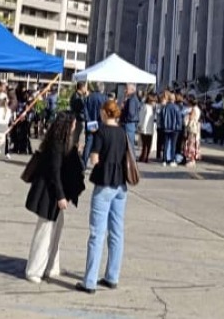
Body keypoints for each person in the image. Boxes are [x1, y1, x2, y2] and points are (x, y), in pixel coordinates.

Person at [25, 112, 86, 284]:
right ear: (67, 126)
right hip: (48, 193)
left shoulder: (62, 142)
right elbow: (55, 172)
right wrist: (61, 196)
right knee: (45, 231)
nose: (75, 127)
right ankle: (34, 269)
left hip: (54, 193)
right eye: (73, 124)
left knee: (56, 229)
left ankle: (51, 266)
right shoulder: (57, 145)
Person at [77, 100, 130, 294]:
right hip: (121, 184)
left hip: (104, 182)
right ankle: (112, 276)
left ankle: (90, 281)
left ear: (105, 113)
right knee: (116, 231)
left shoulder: (101, 132)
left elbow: (95, 158)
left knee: (97, 233)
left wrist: (90, 150)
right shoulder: (123, 132)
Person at [81, 84, 106, 166]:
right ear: (102, 89)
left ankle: (83, 164)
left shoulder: (89, 97)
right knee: (100, 144)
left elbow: (85, 109)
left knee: (88, 144)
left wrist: (88, 120)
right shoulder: (104, 98)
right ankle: (98, 164)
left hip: (91, 122)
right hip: (100, 123)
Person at [157, 92, 182, 166]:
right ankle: (172, 160)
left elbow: (161, 118)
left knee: (166, 144)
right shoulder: (176, 108)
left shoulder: (164, 107)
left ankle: (164, 160)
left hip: (165, 128)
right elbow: (179, 119)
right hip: (174, 129)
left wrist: (162, 126)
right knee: (173, 145)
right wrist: (179, 127)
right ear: (174, 99)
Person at [137, 92, 157, 163]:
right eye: (154, 101)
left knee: (144, 144)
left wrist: (140, 126)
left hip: (143, 128)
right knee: (148, 144)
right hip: (147, 129)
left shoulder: (143, 106)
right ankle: (145, 157)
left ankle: (142, 156)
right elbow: (146, 119)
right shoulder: (149, 108)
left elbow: (140, 117)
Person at [120, 83, 141, 149]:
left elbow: (131, 113)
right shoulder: (133, 98)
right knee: (129, 144)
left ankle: (130, 159)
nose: (125, 90)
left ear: (132, 90)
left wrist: (123, 109)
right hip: (130, 123)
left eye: (127, 89)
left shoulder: (132, 99)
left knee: (129, 145)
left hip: (128, 124)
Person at [182, 96, 202, 166]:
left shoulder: (193, 109)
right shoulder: (198, 109)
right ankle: (192, 159)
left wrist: (187, 117)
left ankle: (192, 159)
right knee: (194, 143)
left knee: (191, 143)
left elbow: (190, 118)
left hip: (192, 128)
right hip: (196, 127)